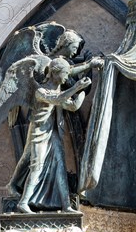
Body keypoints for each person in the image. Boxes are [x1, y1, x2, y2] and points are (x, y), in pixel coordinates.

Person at [9, 58, 92, 213]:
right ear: (55, 73)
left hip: (54, 132)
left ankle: (66, 205)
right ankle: (23, 202)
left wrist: (82, 91)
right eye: (65, 74)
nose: (67, 77)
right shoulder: (40, 91)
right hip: (39, 133)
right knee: (37, 167)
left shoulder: (59, 91)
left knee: (61, 166)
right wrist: (76, 87)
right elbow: (56, 99)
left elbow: (73, 106)